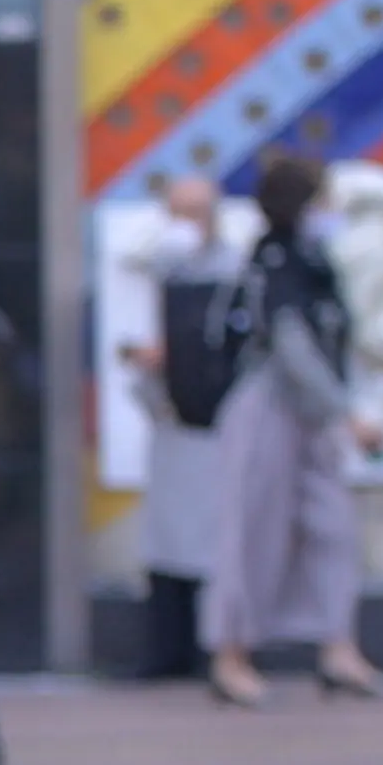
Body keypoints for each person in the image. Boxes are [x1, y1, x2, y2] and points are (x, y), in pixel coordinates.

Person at [204, 152, 383, 708]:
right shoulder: (275, 260)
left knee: (333, 527)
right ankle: (230, 653)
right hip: (270, 405)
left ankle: (339, 648)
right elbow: (290, 345)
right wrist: (344, 412)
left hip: (314, 411)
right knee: (253, 528)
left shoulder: (313, 257)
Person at [119, 169, 239, 682]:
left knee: (219, 542)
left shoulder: (234, 272)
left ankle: (224, 650)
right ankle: (166, 651)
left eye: (197, 211)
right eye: (178, 212)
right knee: (168, 544)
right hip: (170, 424)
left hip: (219, 428)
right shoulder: (151, 269)